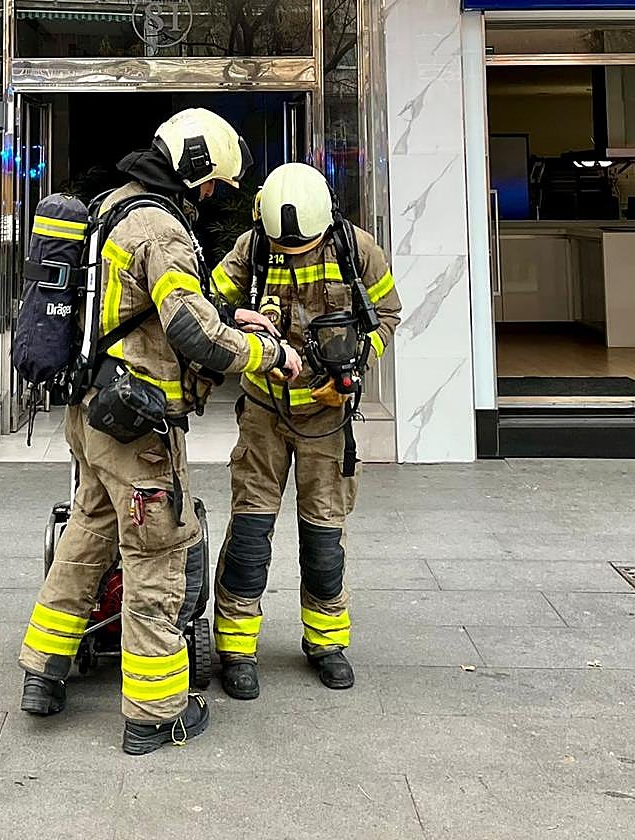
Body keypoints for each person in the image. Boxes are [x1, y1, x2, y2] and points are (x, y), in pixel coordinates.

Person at [17, 109, 302, 755]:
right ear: (195, 169)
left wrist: (235, 312)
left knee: (88, 536)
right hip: (138, 423)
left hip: (90, 413)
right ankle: (154, 711)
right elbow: (190, 332)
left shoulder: (113, 205)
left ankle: (43, 671)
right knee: (157, 555)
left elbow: (141, 303)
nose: (212, 197)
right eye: (212, 185)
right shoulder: (160, 228)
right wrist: (269, 355)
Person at [208, 162, 402, 700]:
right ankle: (236, 650)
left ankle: (326, 642)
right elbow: (209, 304)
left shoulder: (356, 249)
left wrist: (353, 373)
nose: (294, 254)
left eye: (303, 246)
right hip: (264, 413)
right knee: (250, 537)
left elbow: (386, 315)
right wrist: (242, 321)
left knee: (323, 538)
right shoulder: (253, 249)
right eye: (285, 248)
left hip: (326, 420)